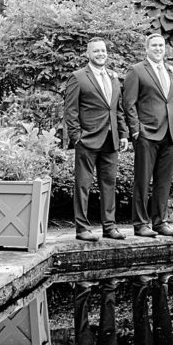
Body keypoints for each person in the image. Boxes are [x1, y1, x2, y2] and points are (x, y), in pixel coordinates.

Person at [123, 33, 173, 238]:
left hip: (170, 133)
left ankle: (160, 222)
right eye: (154, 45)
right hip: (147, 133)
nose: (159, 49)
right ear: (147, 48)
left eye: (161, 45)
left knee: (164, 181)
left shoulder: (172, 71)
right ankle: (141, 224)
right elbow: (129, 103)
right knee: (142, 180)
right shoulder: (136, 70)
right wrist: (135, 130)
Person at [63, 38, 128, 241]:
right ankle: (82, 228)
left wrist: (123, 134)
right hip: (88, 139)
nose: (100, 54)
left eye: (103, 50)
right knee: (83, 184)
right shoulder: (78, 77)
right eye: (96, 51)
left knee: (109, 183)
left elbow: (117, 109)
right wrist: (77, 137)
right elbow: (70, 111)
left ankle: (109, 226)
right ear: (88, 54)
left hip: (111, 138)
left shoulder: (113, 77)